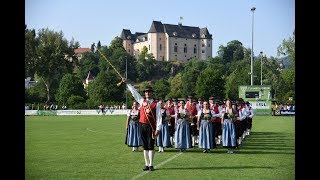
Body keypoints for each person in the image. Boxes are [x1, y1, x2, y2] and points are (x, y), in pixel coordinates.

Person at [123, 79, 162, 171]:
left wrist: (158, 129)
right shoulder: (141, 101)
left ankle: (151, 164)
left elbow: (159, 117)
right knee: (145, 146)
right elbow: (134, 93)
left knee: (151, 146)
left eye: (149, 92)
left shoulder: (156, 104)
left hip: (151, 127)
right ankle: (146, 164)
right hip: (142, 125)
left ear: (152, 93)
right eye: (146, 92)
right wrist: (128, 84)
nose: (147, 93)